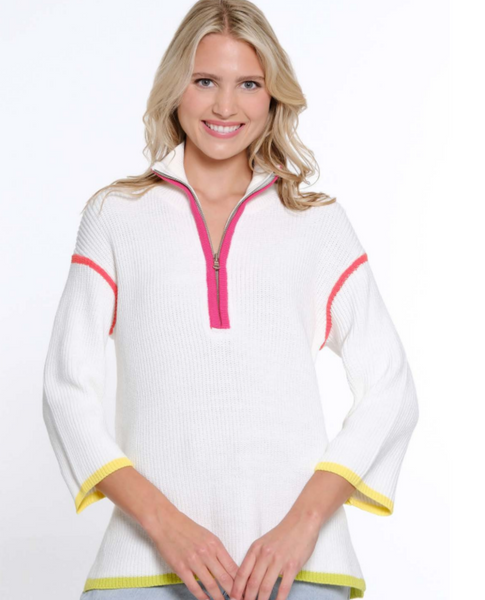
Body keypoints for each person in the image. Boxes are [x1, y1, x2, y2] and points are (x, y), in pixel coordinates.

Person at [42, 1, 419, 600]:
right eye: (204, 82)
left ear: (273, 97)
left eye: (248, 84)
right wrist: (166, 527)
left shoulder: (318, 224)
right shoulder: (115, 216)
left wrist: (302, 527)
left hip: (300, 571)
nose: (225, 106)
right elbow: (66, 392)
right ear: (175, 88)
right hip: (143, 567)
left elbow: (391, 387)